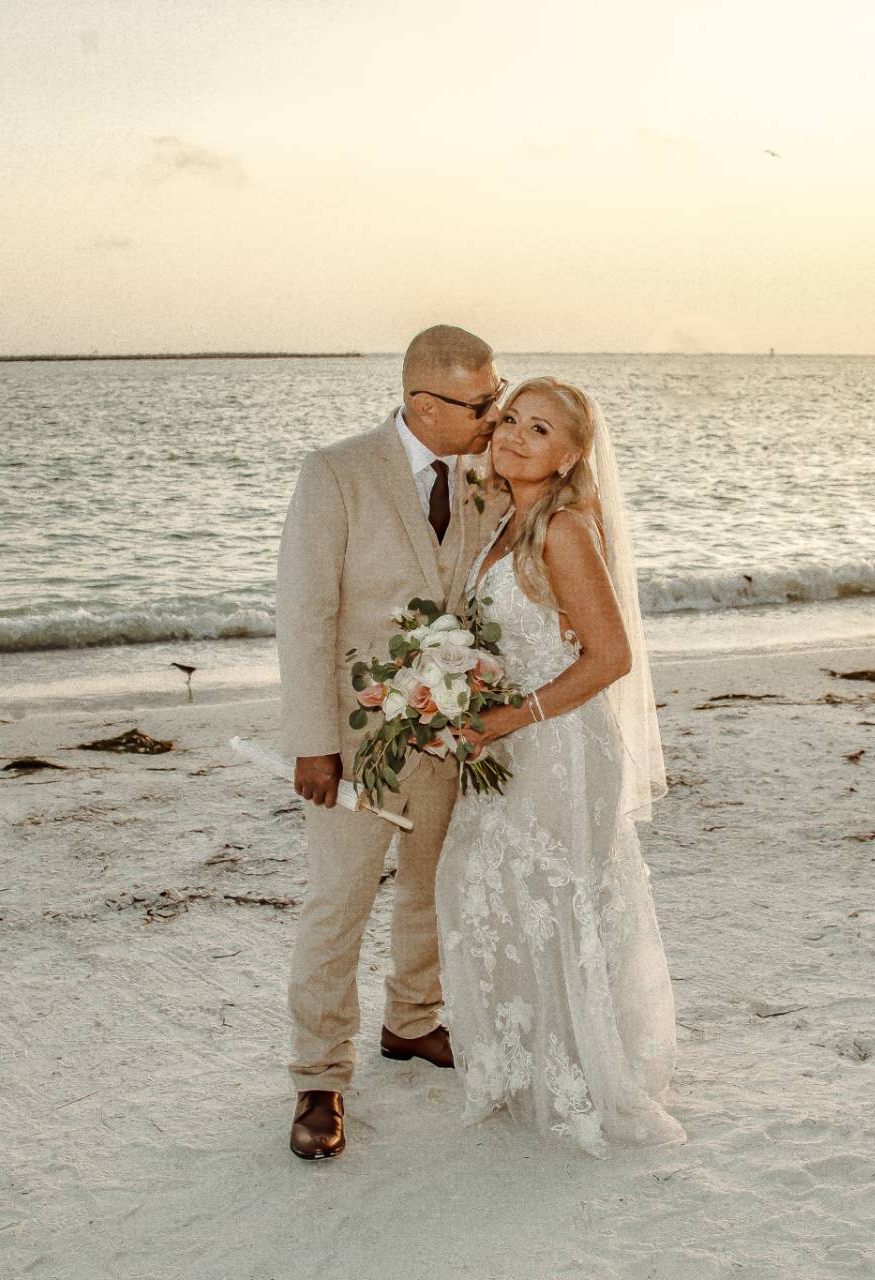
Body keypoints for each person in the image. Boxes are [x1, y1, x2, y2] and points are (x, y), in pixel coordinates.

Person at [273, 324, 509, 1159]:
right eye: (482, 403)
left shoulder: (491, 474)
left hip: (452, 734)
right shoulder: (336, 472)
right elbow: (305, 613)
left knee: (431, 887)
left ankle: (412, 1022)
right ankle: (318, 1077)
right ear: (423, 402)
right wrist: (313, 742)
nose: (497, 414)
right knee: (338, 903)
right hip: (353, 735)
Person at [439, 376, 686, 1156]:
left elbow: (611, 656)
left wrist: (511, 715)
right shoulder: (508, 519)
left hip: (561, 747)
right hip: (510, 745)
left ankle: (579, 1073)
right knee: (497, 888)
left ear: (574, 453)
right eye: (510, 419)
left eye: (538, 429)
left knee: (556, 896)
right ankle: (528, 1061)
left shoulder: (566, 527)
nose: (513, 436)